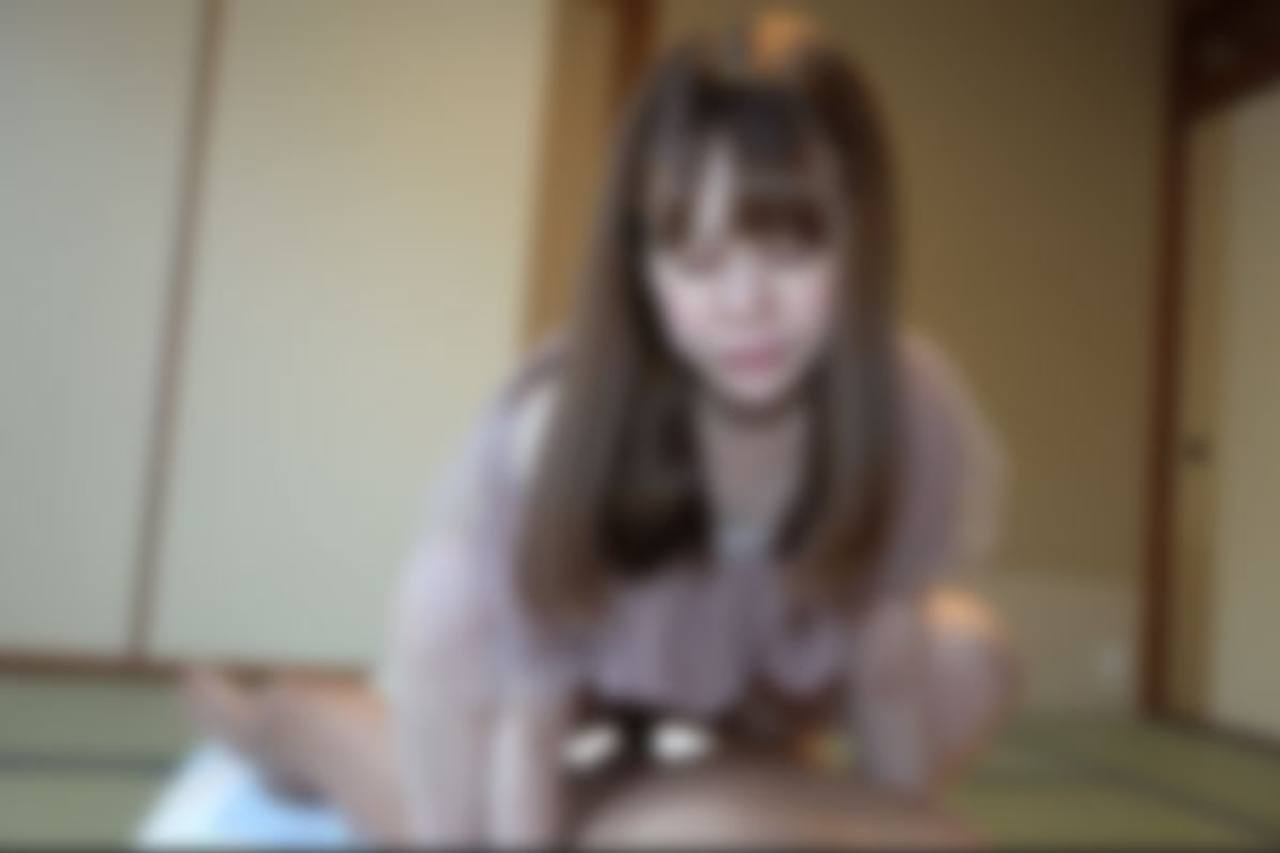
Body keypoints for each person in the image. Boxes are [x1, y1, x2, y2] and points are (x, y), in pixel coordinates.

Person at [142, 11, 1015, 847]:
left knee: (965, 650)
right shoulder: (562, 426)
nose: (746, 303)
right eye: (699, 258)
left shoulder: (913, 406)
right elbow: (531, 720)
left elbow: (890, 674)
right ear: (641, 264)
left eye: (791, 250)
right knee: (447, 643)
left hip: (758, 697)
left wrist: (897, 821)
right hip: (562, 684)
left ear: (863, 233)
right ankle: (276, 722)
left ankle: (705, 783)